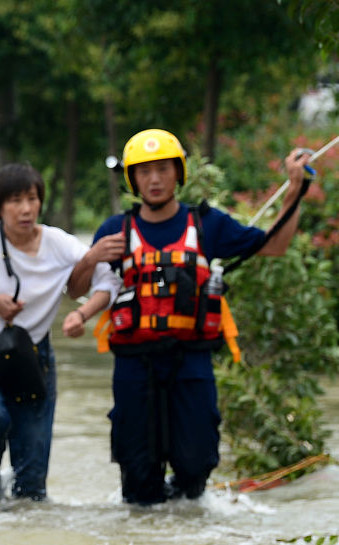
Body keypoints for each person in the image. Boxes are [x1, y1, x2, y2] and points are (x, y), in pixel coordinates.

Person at [87, 128, 310, 505]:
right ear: (132, 179)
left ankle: (186, 523)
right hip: (134, 365)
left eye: (162, 169)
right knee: (139, 481)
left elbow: (275, 245)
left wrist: (294, 189)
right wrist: (89, 258)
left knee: (195, 467)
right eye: (144, 172)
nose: (154, 179)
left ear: (178, 173)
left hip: (190, 360)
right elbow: (80, 287)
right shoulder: (114, 231)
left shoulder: (208, 224)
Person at [0, 163, 118, 502]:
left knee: (32, 490)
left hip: (34, 361)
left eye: (32, 198)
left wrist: (83, 314)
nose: (26, 208)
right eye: (15, 200)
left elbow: (107, 283)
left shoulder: (57, 242)